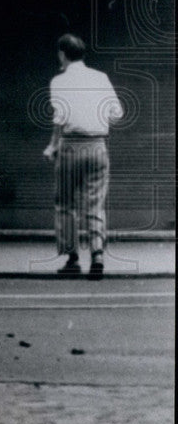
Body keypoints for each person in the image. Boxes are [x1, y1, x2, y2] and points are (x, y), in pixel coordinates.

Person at [43, 33, 123, 278]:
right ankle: (97, 255)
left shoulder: (58, 81)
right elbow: (117, 113)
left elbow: (60, 118)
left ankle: (72, 258)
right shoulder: (101, 78)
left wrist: (52, 146)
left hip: (70, 146)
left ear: (62, 54)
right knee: (95, 204)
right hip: (98, 145)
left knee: (65, 204)